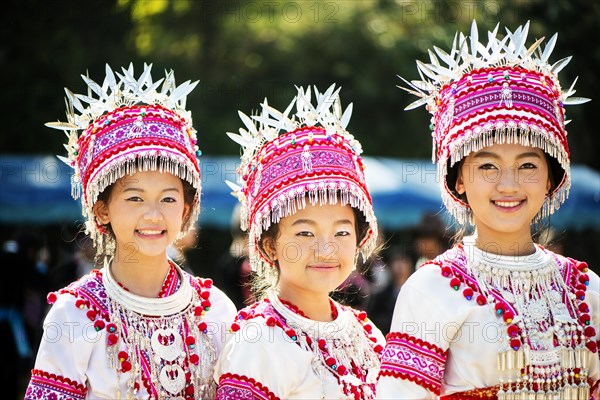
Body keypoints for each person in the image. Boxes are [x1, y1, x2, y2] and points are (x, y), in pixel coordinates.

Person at [377, 21, 599, 399]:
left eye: (528, 165)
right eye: (488, 166)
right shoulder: (431, 290)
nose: (508, 185)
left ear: (551, 177)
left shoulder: (589, 290)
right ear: (459, 179)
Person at [24, 63, 237, 399]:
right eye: (134, 198)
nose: (153, 215)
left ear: (185, 209)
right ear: (102, 209)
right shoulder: (74, 314)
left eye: (168, 198)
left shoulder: (217, 311)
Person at [214, 84, 385, 398]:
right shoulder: (258, 340)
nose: (326, 249)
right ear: (269, 246)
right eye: (305, 233)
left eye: (342, 232)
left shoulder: (367, 334)